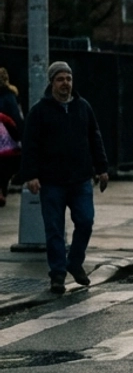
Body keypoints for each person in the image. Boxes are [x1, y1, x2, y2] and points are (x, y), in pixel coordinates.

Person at [20, 61, 109, 293]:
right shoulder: (40, 111)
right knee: (54, 229)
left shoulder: (83, 107)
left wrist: (102, 168)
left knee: (86, 221)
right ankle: (58, 274)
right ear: (52, 83)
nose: (65, 83)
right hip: (51, 182)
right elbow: (30, 145)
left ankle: (75, 262)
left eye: (68, 79)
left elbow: (95, 137)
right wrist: (31, 175)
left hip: (80, 179)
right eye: (60, 79)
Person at [0, 68, 23, 207]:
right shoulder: (10, 96)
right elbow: (16, 117)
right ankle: (2, 190)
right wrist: (19, 135)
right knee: (5, 165)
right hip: (7, 136)